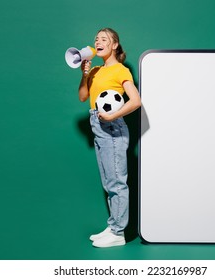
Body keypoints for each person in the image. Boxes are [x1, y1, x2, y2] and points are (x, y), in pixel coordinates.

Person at [78, 28, 141, 248]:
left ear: (114, 45)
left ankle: (118, 232)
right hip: (97, 123)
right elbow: (83, 97)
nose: (98, 41)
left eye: (104, 39)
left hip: (112, 125)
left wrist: (112, 115)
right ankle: (113, 225)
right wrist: (85, 74)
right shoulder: (95, 70)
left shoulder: (121, 70)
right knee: (108, 182)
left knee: (117, 182)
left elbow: (135, 101)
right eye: (96, 39)